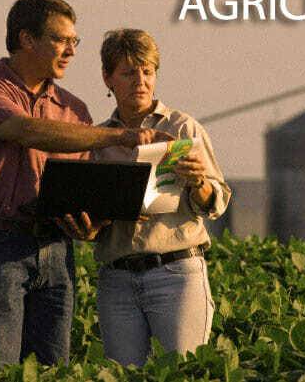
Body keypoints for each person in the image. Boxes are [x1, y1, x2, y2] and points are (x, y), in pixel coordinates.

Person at [0, 0, 170, 367]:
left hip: (56, 247)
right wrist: (120, 136)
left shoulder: (75, 108)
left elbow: (81, 185)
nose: (71, 50)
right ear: (26, 39)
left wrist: (91, 222)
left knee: (53, 367)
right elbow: (26, 131)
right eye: (61, 40)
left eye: (74, 42)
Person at [82, 28, 231, 367]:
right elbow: (88, 216)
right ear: (108, 78)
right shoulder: (98, 139)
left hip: (175, 273)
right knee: (122, 373)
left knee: (180, 371)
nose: (141, 80)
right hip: (117, 277)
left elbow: (217, 200)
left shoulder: (183, 128)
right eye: (129, 72)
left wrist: (198, 183)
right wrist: (107, 213)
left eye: (147, 71)